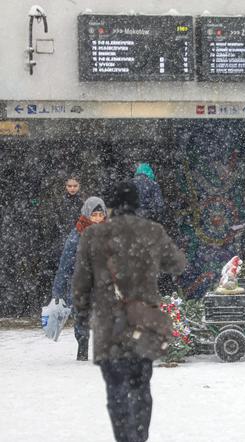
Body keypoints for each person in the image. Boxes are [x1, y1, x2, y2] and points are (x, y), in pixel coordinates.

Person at [73, 181, 186, 442]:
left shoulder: (93, 236)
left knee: (115, 389)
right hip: (142, 322)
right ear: (137, 203)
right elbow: (178, 264)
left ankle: (124, 437)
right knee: (141, 385)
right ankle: (139, 436)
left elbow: (80, 282)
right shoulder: (153, 232)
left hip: (108, 325)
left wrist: (81, 313)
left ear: (111, 205)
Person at [51, 196, 107, 360]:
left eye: (100, 215)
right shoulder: (77, 235)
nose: (97, 219)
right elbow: (65, 264)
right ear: (87, 214)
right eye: (94, 215)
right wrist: (58, 290)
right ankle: (82, 347)